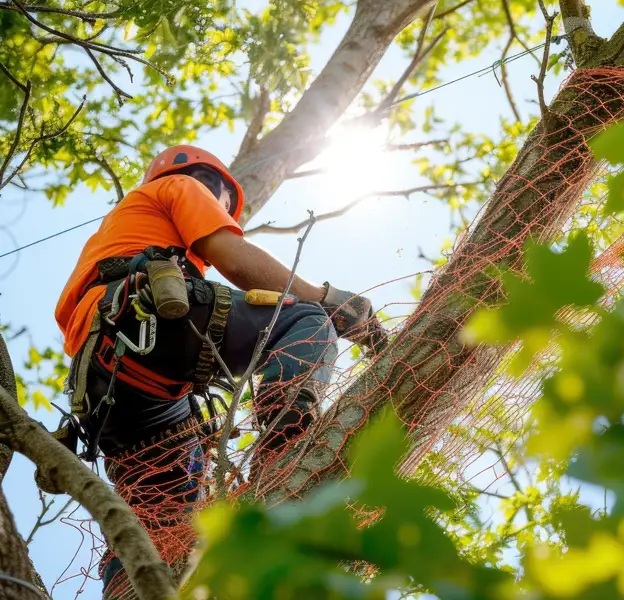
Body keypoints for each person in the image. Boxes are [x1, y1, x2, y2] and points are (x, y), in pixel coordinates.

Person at [50, 145, 387, 597]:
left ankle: (133, 585)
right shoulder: (179, 185)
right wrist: (327, 299)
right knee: (306, 320)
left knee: (166, 516)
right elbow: (231, 257)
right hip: (144, 321)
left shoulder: (119, 233)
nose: (219, 207)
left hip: (109, 388)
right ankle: (285, 443)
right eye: (221, 200)